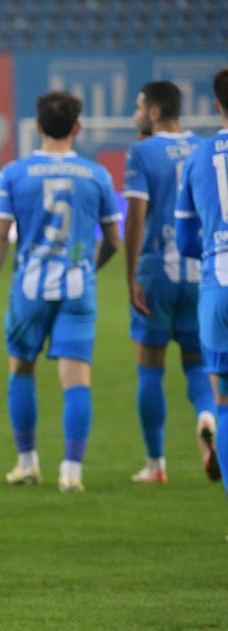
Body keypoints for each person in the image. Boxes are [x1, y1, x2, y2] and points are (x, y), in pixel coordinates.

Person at [0, 91, 121, 493]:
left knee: (22, 369)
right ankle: (71, 471)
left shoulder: (13, 174)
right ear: (77, 127)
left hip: (30, 288)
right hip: (78, 288)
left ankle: (27, 463)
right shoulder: (97, 175)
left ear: (38, 126)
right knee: (76, 378)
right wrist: (90, 265)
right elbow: (113, 239)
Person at [123, 81, 217, 484]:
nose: (135, 115)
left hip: (157, 271)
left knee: (150, 368)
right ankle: (207, 417)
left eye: (138, 107)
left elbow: (135, 215)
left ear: (156, 112)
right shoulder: (205, 148)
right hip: (200, 270)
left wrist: (131, 274)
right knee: (198, 363)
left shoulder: (142, 152)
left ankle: (156, 464)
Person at [175, 67, 228, 497]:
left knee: (223, 403)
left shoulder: (198, 157)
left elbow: (184, 240)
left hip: (218, 286)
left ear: (216, 104)